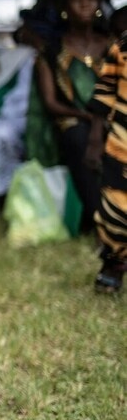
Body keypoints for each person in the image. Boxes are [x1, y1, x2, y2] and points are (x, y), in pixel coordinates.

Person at [29, 0, 112, 234]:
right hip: (69, 120)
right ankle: (100, 220)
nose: (85, 5)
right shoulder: (52, 51)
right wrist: (87, 118)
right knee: (79, 138)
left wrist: (99, 123)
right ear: (65, 9)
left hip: (110, 117)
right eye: (78, 0)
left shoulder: (112, 47)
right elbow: (51, 102)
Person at [86, 30, 127, 293]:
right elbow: (104, 94)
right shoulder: (122, 48)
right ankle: (113, 263)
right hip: (120, 146)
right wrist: (95, 140)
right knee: (114, 210)